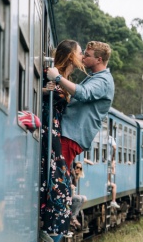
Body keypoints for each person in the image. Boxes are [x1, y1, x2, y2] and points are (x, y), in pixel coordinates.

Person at [36, 39, 84, 242]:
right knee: (62, 196)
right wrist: (49, 88)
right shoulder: (50, 74)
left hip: (55, 136)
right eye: (79, 51)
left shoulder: (63, 79)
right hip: (47, 134)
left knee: (67, 199)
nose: (82, 55)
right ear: (70, 55)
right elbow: (38, 91)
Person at [46, 41, 115, 170]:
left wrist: (58, 78)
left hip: (72, 135)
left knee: (58, 172)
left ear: (99, 60)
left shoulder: (103, 81)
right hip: (71, 134)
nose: (83, 57)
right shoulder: (96, 77)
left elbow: (83, 93)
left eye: (87, 55)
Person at [70, 161, 87, 229]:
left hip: (72, 194)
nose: (78, 169)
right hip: (68, 195)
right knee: (78, 199)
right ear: (74, 167)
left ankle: (74, 216)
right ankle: (72, 217)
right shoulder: (71, 175)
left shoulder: (76, 176)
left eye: (80, 168)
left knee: (84, 198)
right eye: (77, 167)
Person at [108, 134, 120, 209]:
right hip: (108, 161)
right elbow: (115, 147)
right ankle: (113, 201)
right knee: (113, 184)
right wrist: (112, 157)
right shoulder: (110, 138)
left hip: (106, 161)